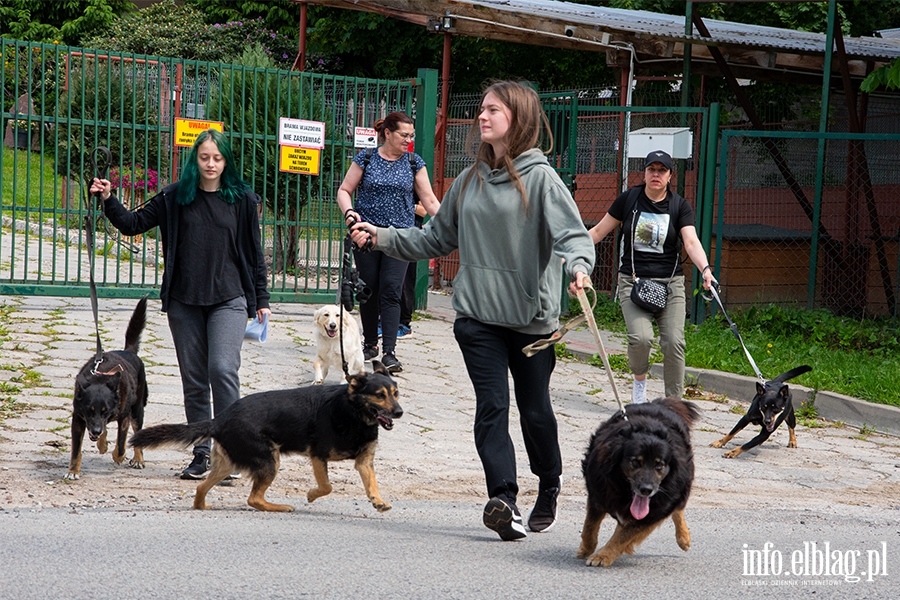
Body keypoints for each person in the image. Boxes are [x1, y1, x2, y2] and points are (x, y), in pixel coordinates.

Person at [350, 81, 595, 541]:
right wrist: (379, 235)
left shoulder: (542, 179)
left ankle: (550, 483)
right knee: (492, 406)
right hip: (477, 317)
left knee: (536, 410)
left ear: (517, 118)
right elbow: (432, 240)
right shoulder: (469, 180)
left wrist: (579, 268)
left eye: (493, 111)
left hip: (531, 323)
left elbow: (574, 236)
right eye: (481, 109)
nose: (483, 117)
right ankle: (503, 498)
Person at [89, 128, 271, 480]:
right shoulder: (175, 197)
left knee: (221, 368)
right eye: (204, 157)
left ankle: (229, 450)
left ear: (226, 160)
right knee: (194, 380)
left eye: (217, 158)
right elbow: (132, 224)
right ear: (195, 160)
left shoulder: (243, 200)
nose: (211, 164)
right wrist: (110, 199)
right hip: (184, 301)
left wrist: (260, 299)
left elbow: (253, 254)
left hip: (229, 299)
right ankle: (202, 452)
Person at [588, 150, 715, 404]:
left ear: (670, 176)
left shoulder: (679, 206)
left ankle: (673, 404)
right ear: (644, 173)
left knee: (674, 343)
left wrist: (706, 269)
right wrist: (569, 253)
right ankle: (639, 386)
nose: (656, 174)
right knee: (641, 338)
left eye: (662, 170)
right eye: (651, 169)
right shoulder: (628, 200)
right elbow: (598, 231)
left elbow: (690, 241)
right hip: (633, 282)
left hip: (670, 285)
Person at [336, 112, 440, 373]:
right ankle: (370, 343)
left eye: (411, 136)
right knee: (368, 290)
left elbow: (428, 199)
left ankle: (390, 352)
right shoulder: (367, 158)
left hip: (400, 238)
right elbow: (344, 190)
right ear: (387, 133)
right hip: (366, 235)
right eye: (404, 135)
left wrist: (449, 222)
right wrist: (350, 216)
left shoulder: (414, 163)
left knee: (391, 291)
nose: (408, 140)